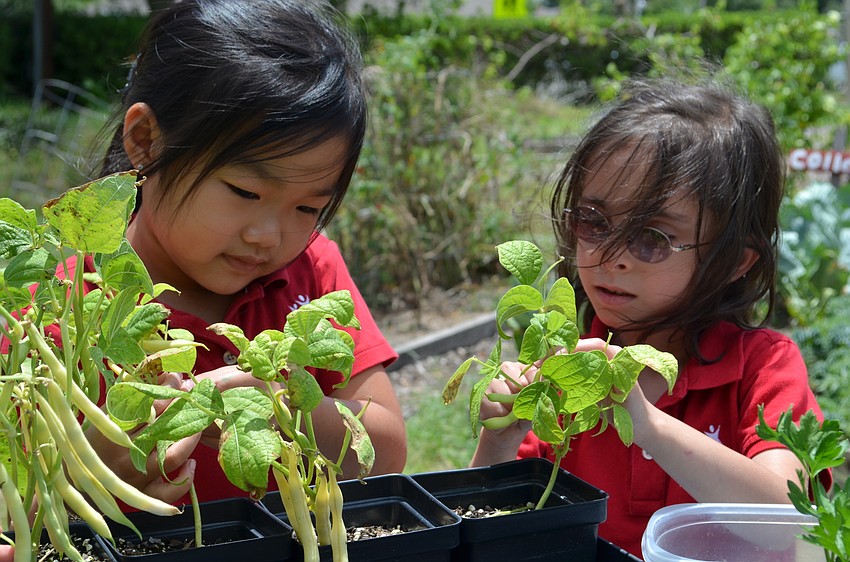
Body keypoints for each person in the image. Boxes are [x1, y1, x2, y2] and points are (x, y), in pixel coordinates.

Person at [470, 77, 828, 556]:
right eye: (594, 221)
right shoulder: (569, 367)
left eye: (653, 237)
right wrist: (498, 442)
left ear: (733, 262)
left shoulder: (763, 369)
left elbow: (789, 523)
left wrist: (650, 428)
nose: (614, 257)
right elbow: (484, 521)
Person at [83, 0, 406, 507]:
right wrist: (90, 476)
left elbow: (385, 452)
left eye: (308, 207)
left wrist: (281, 405)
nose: (268, 235)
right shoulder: (57, 307)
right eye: (244, 192)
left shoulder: (313, 269)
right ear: (146, 140)